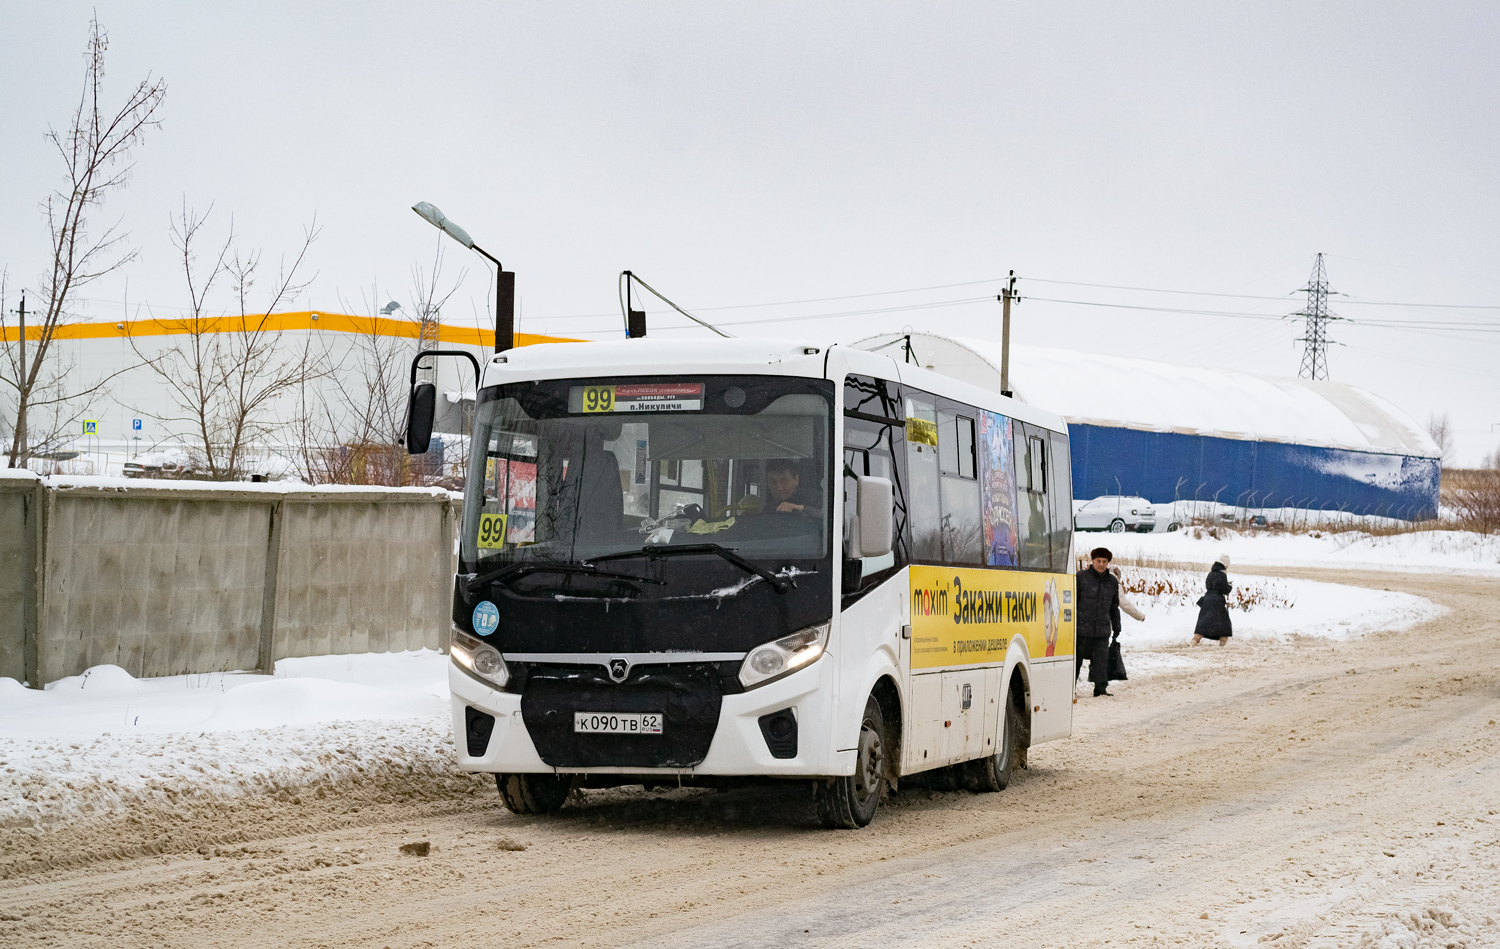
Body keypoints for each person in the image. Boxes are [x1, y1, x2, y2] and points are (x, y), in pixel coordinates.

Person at [1074, 546, 1120, 696]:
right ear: (1092, 561)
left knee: (1101, 662)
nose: (1101, 564)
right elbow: (1072, 603)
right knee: (1076, 662)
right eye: (1098, 561)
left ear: (1108, 563)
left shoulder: (1112, 582)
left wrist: (1117, 625)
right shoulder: (1080, 578)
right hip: (1081, 630)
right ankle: (1069, 690)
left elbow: (1114, 606)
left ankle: (1100, 689)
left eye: (1104, 561)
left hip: (1102, 630)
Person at [1192, 553, 1234, 646]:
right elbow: (1224, 589)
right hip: (1218, 601)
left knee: (1204, 622)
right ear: (1225, 565)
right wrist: (1230, 586)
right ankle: (1223, 641)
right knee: (1223, 622)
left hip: (1207, 600)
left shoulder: (1211, 573)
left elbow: (1208, 585)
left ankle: (1195, 640)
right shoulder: (1222, 574)